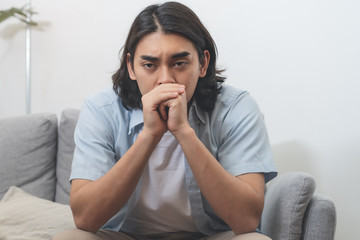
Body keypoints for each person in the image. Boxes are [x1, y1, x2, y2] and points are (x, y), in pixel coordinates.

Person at [54, 2, 277, 240]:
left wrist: (183, 131)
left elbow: (246, 220)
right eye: (149, 65)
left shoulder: (235, 107)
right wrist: (149, 135)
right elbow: (85, 219)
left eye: (179, 63)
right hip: (125, 235)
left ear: (202, 63)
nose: (165, 80)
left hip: (208, 236)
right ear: (131, 67)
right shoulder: (101, 110)